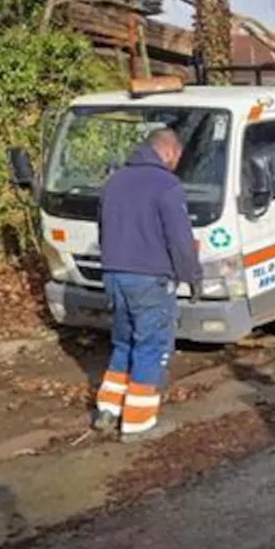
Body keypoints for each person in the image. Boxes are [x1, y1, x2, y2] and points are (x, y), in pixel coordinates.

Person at [93, 128, 202, 441]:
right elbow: (180, 239)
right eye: (177, 158)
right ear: (167, 152)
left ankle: (108, 410)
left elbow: (103, 230)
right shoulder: (167, 185)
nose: (176, 165)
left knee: (124, 343)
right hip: (150, 279)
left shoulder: (114, 181)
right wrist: (191, 276)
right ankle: (138, 424)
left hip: (114, 275)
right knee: (151, 347)